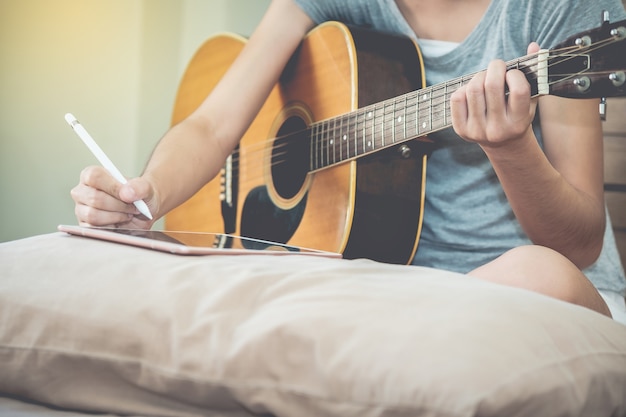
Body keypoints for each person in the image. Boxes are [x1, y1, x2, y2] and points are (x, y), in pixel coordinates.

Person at [70, 0, 626, 323]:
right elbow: (213, 125)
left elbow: (578, 245)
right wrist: (148, 195)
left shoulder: (554, 11)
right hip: (384, 283)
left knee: (540, 273)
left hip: (535, 289)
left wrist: (511, 148)